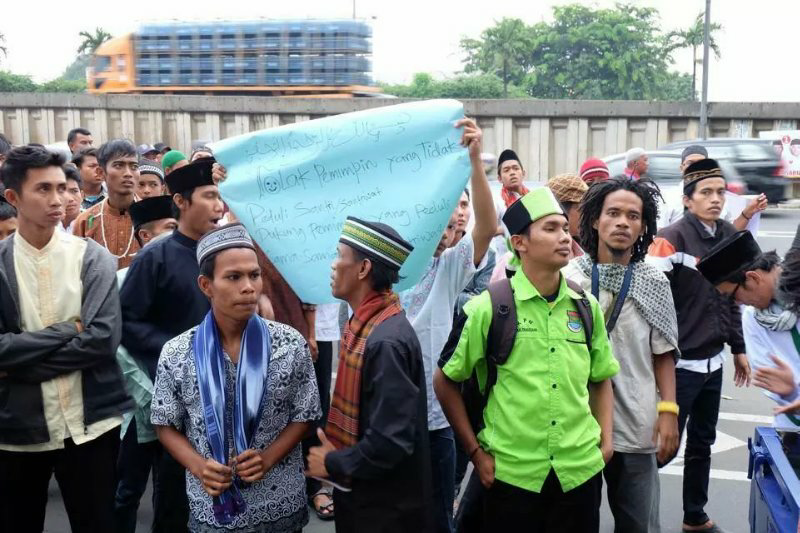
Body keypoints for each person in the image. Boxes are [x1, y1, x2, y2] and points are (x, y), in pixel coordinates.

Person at [434, 186, 619, 532]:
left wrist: (606, 441)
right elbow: (445, 381)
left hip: (579, 473)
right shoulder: (487, 308)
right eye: (550, 229)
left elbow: (600, 377)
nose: (564, 236)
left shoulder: (586, 307)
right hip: (511, 476)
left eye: (565, 228)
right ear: (519, 243)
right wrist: (475, 452)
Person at [151, 222, 321, 532]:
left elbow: (306, 415)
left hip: (279, 504)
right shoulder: (177, 353)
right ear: (206, 285)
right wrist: (200, 466)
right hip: (211, 507)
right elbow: (165, 424)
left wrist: (268, 458)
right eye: (233, 277)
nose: (248, 287)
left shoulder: (289, 344)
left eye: (254, 275)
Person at [0, 145, 133, 532]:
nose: (58, 199)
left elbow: (102, 341)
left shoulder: (92, 258)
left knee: (97, 524)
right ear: (13, 198)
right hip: (17, 430)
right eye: (43, 189)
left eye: (62, 187)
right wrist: (65, 331)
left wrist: (18, 366)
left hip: (89, 422)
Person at [563, 177, 680, 532]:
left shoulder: (654, 282)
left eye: (633, 216)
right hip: (577, 425)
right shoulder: (568, 279)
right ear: (595, 220)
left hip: (636, 425)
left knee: (638, 525)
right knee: (575, 523)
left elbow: (663, 353)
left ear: (643, 226)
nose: (622, 223)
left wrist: (669, 411)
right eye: (613, 213)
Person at [398, 117, 495, 533]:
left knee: (439, 515)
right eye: (435, 215)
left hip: (436, 417)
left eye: (455, 214)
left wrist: (474, 162)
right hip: (390, 413)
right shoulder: (384, 266)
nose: (450, 223)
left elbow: (488, 228)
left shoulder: (450, 266)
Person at [305, 216, 434, 533]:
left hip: (386, 512)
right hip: (369, 498)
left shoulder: (384, 341)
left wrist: (333, 463)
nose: (333, 266)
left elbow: (390, 440)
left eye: (339, 255)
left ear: (363, 269)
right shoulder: (367, 325)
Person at [120, 158, 224, 532]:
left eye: (221, 197)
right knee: (176, 496)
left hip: (227, 392)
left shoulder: (223, 255)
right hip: (178, 398)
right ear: (181, 201)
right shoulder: (156, 256)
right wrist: (177, 353)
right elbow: (127, 321)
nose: (219, 206)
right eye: (210, 196)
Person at [648, 158, 751, 533]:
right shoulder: (670, 237)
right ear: (688, 199)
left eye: (720, 192)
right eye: (706, 192)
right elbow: (652, 303)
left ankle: (694, 515)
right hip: (677, 365)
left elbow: (733, 296)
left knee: (702, 444)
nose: (715, 199)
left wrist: (737, 347)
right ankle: (636, 512)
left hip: (713, 362)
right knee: (662, 447)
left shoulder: (727, 234)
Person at [114, 195, 177, 533]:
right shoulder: (122, 281)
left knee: (169, 492)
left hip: (180, 406)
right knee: (128, 489)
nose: (177, 234)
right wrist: (152, 396)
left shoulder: (187, 273)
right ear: (145, 237)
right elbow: (119, 350)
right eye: (170, 228)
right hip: (139, 406)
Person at [695, 231, 800, 426]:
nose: (736, 302)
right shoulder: (752, 318)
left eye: (732, 296)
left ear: (753, 278)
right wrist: (790, 390)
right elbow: (767, 375)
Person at [658, 145, 768, 231]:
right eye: (690, 163)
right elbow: (659, 237)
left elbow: (730, 235)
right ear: (681, 168)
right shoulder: (668, 198)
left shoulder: (719, 198)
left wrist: (748, 212)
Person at [72, 139, 141, 269]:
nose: (128, 173)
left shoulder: (153, 218)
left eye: (134, 167)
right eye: (119, 165)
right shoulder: (85, 221)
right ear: (101, 173)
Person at [547, 172, 588, 258]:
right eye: (581, 209)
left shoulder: (582, 246)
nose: (587, 216)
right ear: (561, 210)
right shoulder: (549, 253)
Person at [62, 163, 83, 233]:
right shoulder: (45, 224)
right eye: (62, 192)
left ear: (82, 195)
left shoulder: (93, 222)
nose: (69, 199)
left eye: (74, 191)